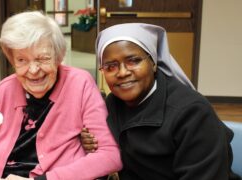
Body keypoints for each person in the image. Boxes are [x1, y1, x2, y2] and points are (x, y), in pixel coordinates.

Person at [0, 11, 122, 179]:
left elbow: (110, 155)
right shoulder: (3, 91)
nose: (33, 70)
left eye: (42, 58)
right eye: (22, 60)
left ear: (59, 55)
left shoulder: (79, 84)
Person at [81, 23, 241, 180]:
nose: (122, 72)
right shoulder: (113, 103)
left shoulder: (193, 113)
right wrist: (94, 143)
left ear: (153, 62)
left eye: (134, 61)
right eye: (111, 67)